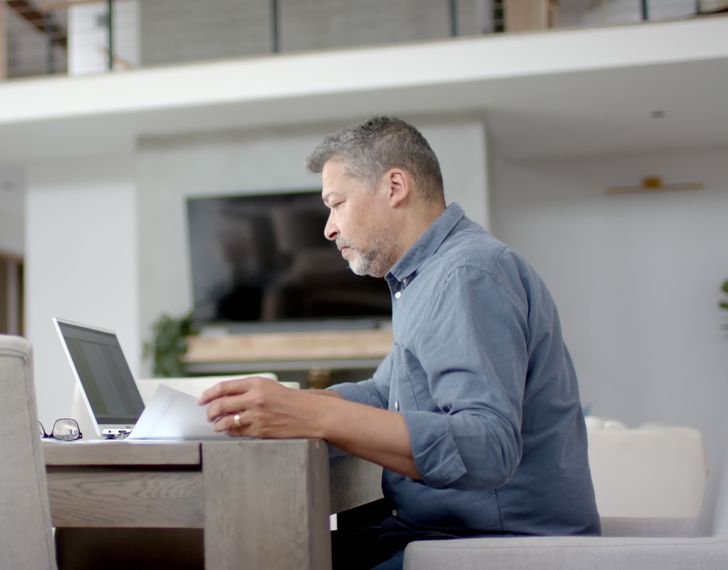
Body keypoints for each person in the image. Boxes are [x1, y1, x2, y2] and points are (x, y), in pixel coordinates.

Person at [199, 116, 600, 569]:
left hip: (497, 546)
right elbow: (381, 393)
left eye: (337, 203)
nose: (328, 229)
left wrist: (316, 413)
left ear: (394, 187)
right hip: (446, 532)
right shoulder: (426, 277)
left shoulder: (466, 274)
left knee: (261, 557)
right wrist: (282, 405)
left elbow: (487, 446)